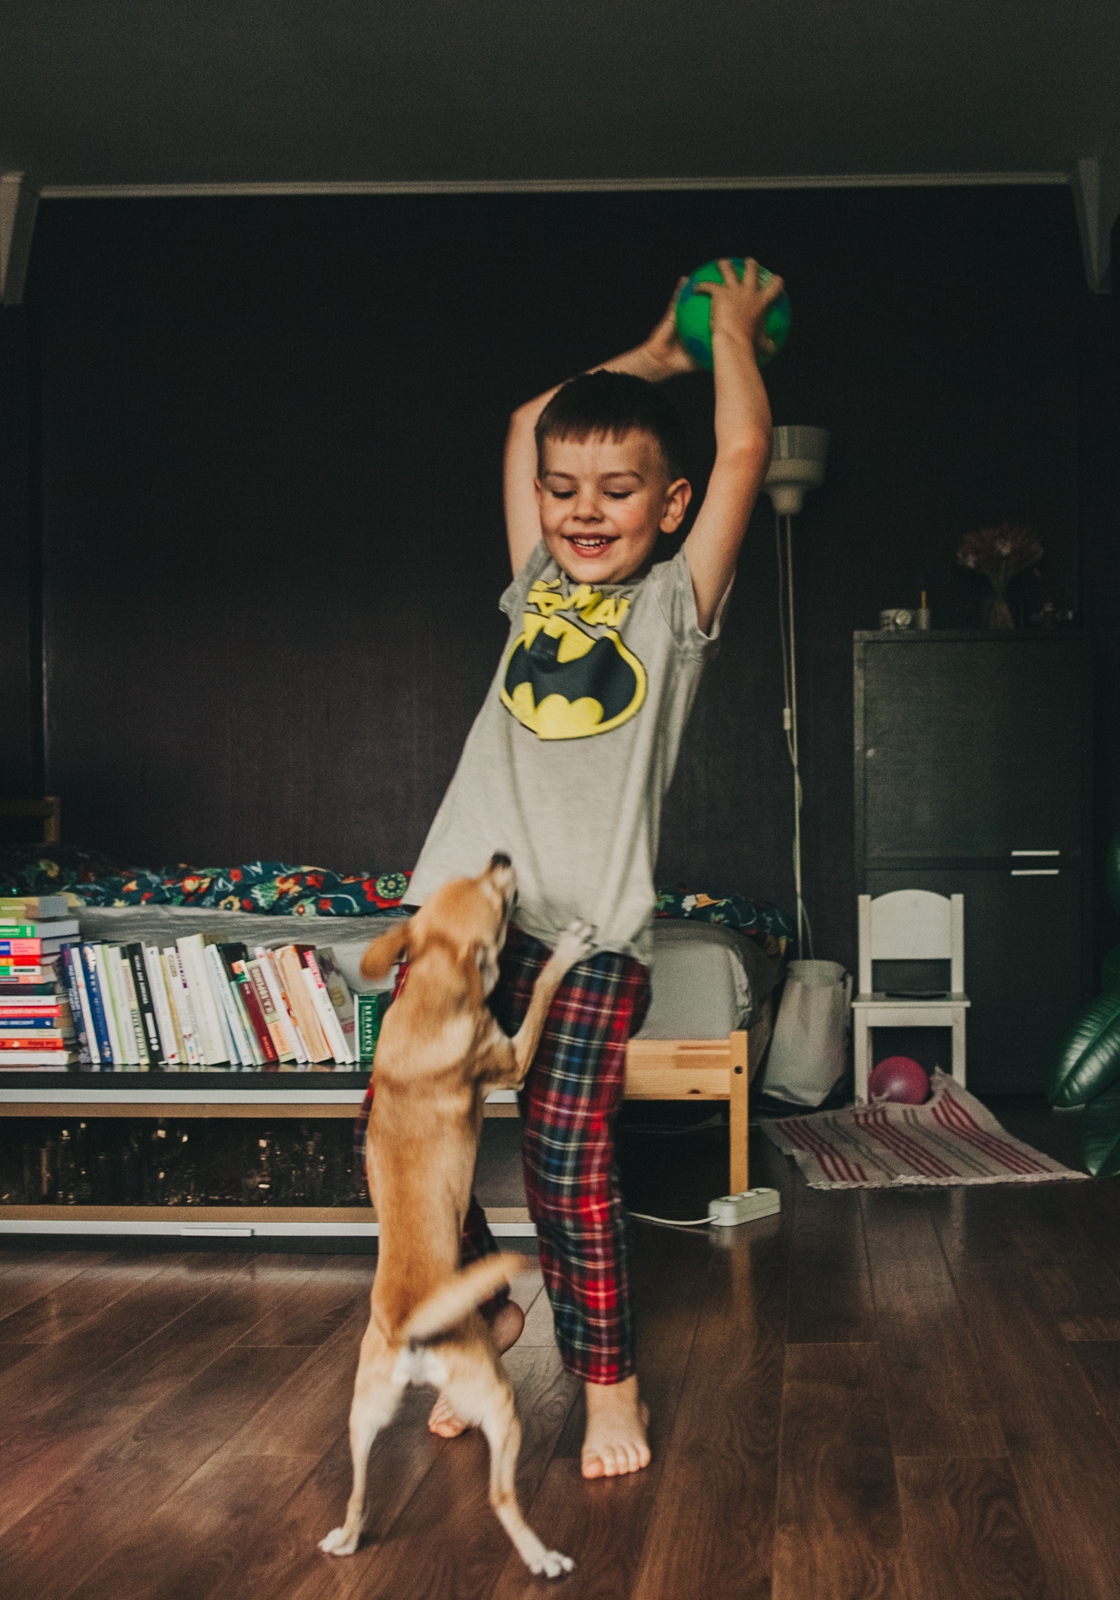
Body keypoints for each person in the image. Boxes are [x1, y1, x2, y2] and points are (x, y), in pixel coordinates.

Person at [387, 259, 780, 1479]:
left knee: (567, 1157)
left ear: (668, 507)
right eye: (564, 491)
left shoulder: (674, 611)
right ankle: (487, 1319)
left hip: (589, 937)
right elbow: (522, 425)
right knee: (404, 1135)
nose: (582, 508)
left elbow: (747, 453)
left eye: (617, 489)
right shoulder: (531, 592)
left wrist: (730, 341)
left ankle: (610, 1384)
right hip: (461, 914)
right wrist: (648, 356)